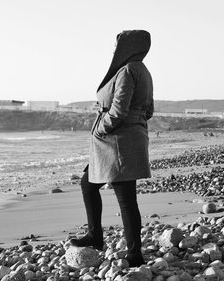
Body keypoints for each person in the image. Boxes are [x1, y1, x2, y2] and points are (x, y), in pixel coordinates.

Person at [70, 30, 154, 267]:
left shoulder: (127, 70)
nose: (113, 50)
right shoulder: (142, 70)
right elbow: (148, 109)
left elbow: (119, 110)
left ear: (130, 46)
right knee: (89, 183)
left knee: (126, 199)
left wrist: (101, 128)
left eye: (117, 45)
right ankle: (95, 236)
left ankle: (135, 255)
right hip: (123, 140)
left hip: (118, 142)